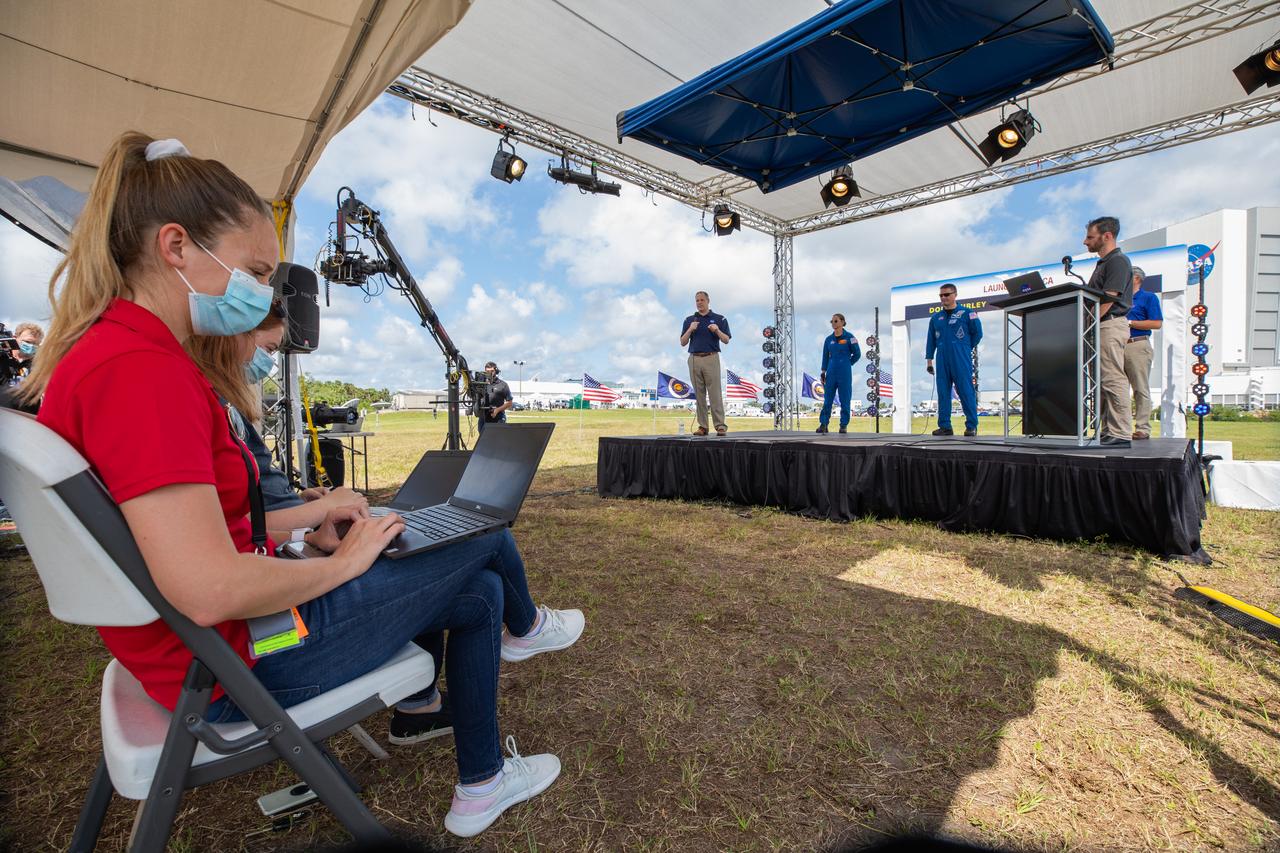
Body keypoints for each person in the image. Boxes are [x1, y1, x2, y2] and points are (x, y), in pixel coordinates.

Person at [22, 132, 582, 838]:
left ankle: (482, 779)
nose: (262, 292)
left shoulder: (109, 352)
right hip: (231, 670)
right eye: (255, 271)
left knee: (478, 594)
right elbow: (208, 584)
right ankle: (526, 636)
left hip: (197, 654)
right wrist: (343, 564)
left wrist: (300, 528)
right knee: (485, 534)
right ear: (175, 247)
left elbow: (187, 533)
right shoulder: (141, 372)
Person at [1083, 216, 1134, 447]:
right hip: (1100, 325)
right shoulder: (1103, 263)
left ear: (1107, 236)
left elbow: (1109, 298)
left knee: (1112, 377)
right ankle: (1108, 429)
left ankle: (1121, 432)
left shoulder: (1118, 261)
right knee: (1102, 381)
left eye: (1090, 237)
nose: (1085, 242)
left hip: (1109, 323)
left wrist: (1088, 322)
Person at [925, 284, 982, 437]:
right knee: (943, 393)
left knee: (965, 391)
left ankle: (971, 426)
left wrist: (965, 347)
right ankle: (945, 426)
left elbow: (977, 333)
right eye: (941, 295)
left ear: (955, 295)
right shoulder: (936, 318)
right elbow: (931, 340)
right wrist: (929, 360)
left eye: (947, 295)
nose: (943, 298)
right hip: (942, 358)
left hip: (960, 358)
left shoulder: (967, 313)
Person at [679, 291, 731, 436]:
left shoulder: (719, 319)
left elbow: (726, 340)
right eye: (697, 300)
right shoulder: (689, 320)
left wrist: (717, 331)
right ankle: (703, 426)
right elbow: (682, 342)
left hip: (711, 357)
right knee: (699, 395)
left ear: (708, 301)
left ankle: (720, 426)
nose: (699, 303)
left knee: (715, 393)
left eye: (702, 300)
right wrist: (690, 329)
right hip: (694, 358)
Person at [1124, 266, 1162, 440]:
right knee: (1116, 389)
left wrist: (1129, 322)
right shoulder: (1118, 299)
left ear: (1137, 278)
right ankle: (1119, 428)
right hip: (1116, 346)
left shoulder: (1148, 297)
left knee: (1140, 388)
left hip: (1137, 345)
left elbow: (1156, 323)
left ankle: (1143, 428)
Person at [816, 314, 861, 434]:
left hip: (844, 373)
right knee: (827, 399)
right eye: (832, 321)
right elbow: (825, 356)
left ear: (842, 322)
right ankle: (824, 424)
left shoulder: (850, 337)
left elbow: (857, 354)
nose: (833, 323)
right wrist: (823, 371)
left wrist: (848, 363)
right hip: (831, 373)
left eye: (835, 321)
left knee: (845, 399)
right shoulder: (828, 340)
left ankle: (843, 425)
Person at [479, 361, 513, 434]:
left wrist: (497, 410)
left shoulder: (503, 385)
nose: (490, 373)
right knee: (483, 440)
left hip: (498, 418)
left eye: (492, 371)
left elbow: (509, 403)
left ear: (496, 371)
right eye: (487, 371)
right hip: (483, 418)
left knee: (498, 440)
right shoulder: (480, 385)